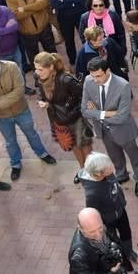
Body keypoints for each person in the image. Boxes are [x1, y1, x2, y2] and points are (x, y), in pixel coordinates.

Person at [0, 44, 56, 180]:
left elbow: (19, 91)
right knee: (10, 142)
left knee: (31, 133)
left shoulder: (11, 66)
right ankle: (16, 164)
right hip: (2, 117)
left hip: (21, 110)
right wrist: (6, 99)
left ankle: (42, 154)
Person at [81, 57, 138, 197]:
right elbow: (84, 111)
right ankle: (122, 175)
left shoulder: (123, 85)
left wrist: (96, 113)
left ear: (107, 71)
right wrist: (106, 113)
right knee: (114, 155)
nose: (95, 80)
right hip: (103, 129)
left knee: (133, 155)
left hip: (123, 129)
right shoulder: (88, 81)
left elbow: (122, 116)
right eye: (93, 76)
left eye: (98, 76)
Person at [34, 52, 93, 183]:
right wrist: (42, 101)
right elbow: (40, 92)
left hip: (75, 118)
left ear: (50, 67)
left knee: (84, 144)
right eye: (36, 68)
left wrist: (72, 115)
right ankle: (82, 169)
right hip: (57, 119)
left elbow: (83, 98)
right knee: (73, 145)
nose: (37, 72)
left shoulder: (66, 80)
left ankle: (91, 171)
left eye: (40, 69)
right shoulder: (38, 78)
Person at [79, 152, 136, 271]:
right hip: (107, 220)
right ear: (99, 174)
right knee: (113, 241)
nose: (112, 167)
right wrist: (102, 226)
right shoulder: (92, 194)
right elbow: (93, 212)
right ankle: (121, 259)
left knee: (126, 232)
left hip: (119, 210)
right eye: (108, 167)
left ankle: (129, 252)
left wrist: (122, 203)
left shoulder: (107, 174)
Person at [5, 0, 56, 64]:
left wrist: (24, 8)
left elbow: (44, 3)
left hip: (44, 28)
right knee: (34, 60)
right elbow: (16, 16)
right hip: (28, 33)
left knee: (52, 55)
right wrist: (36, 7)